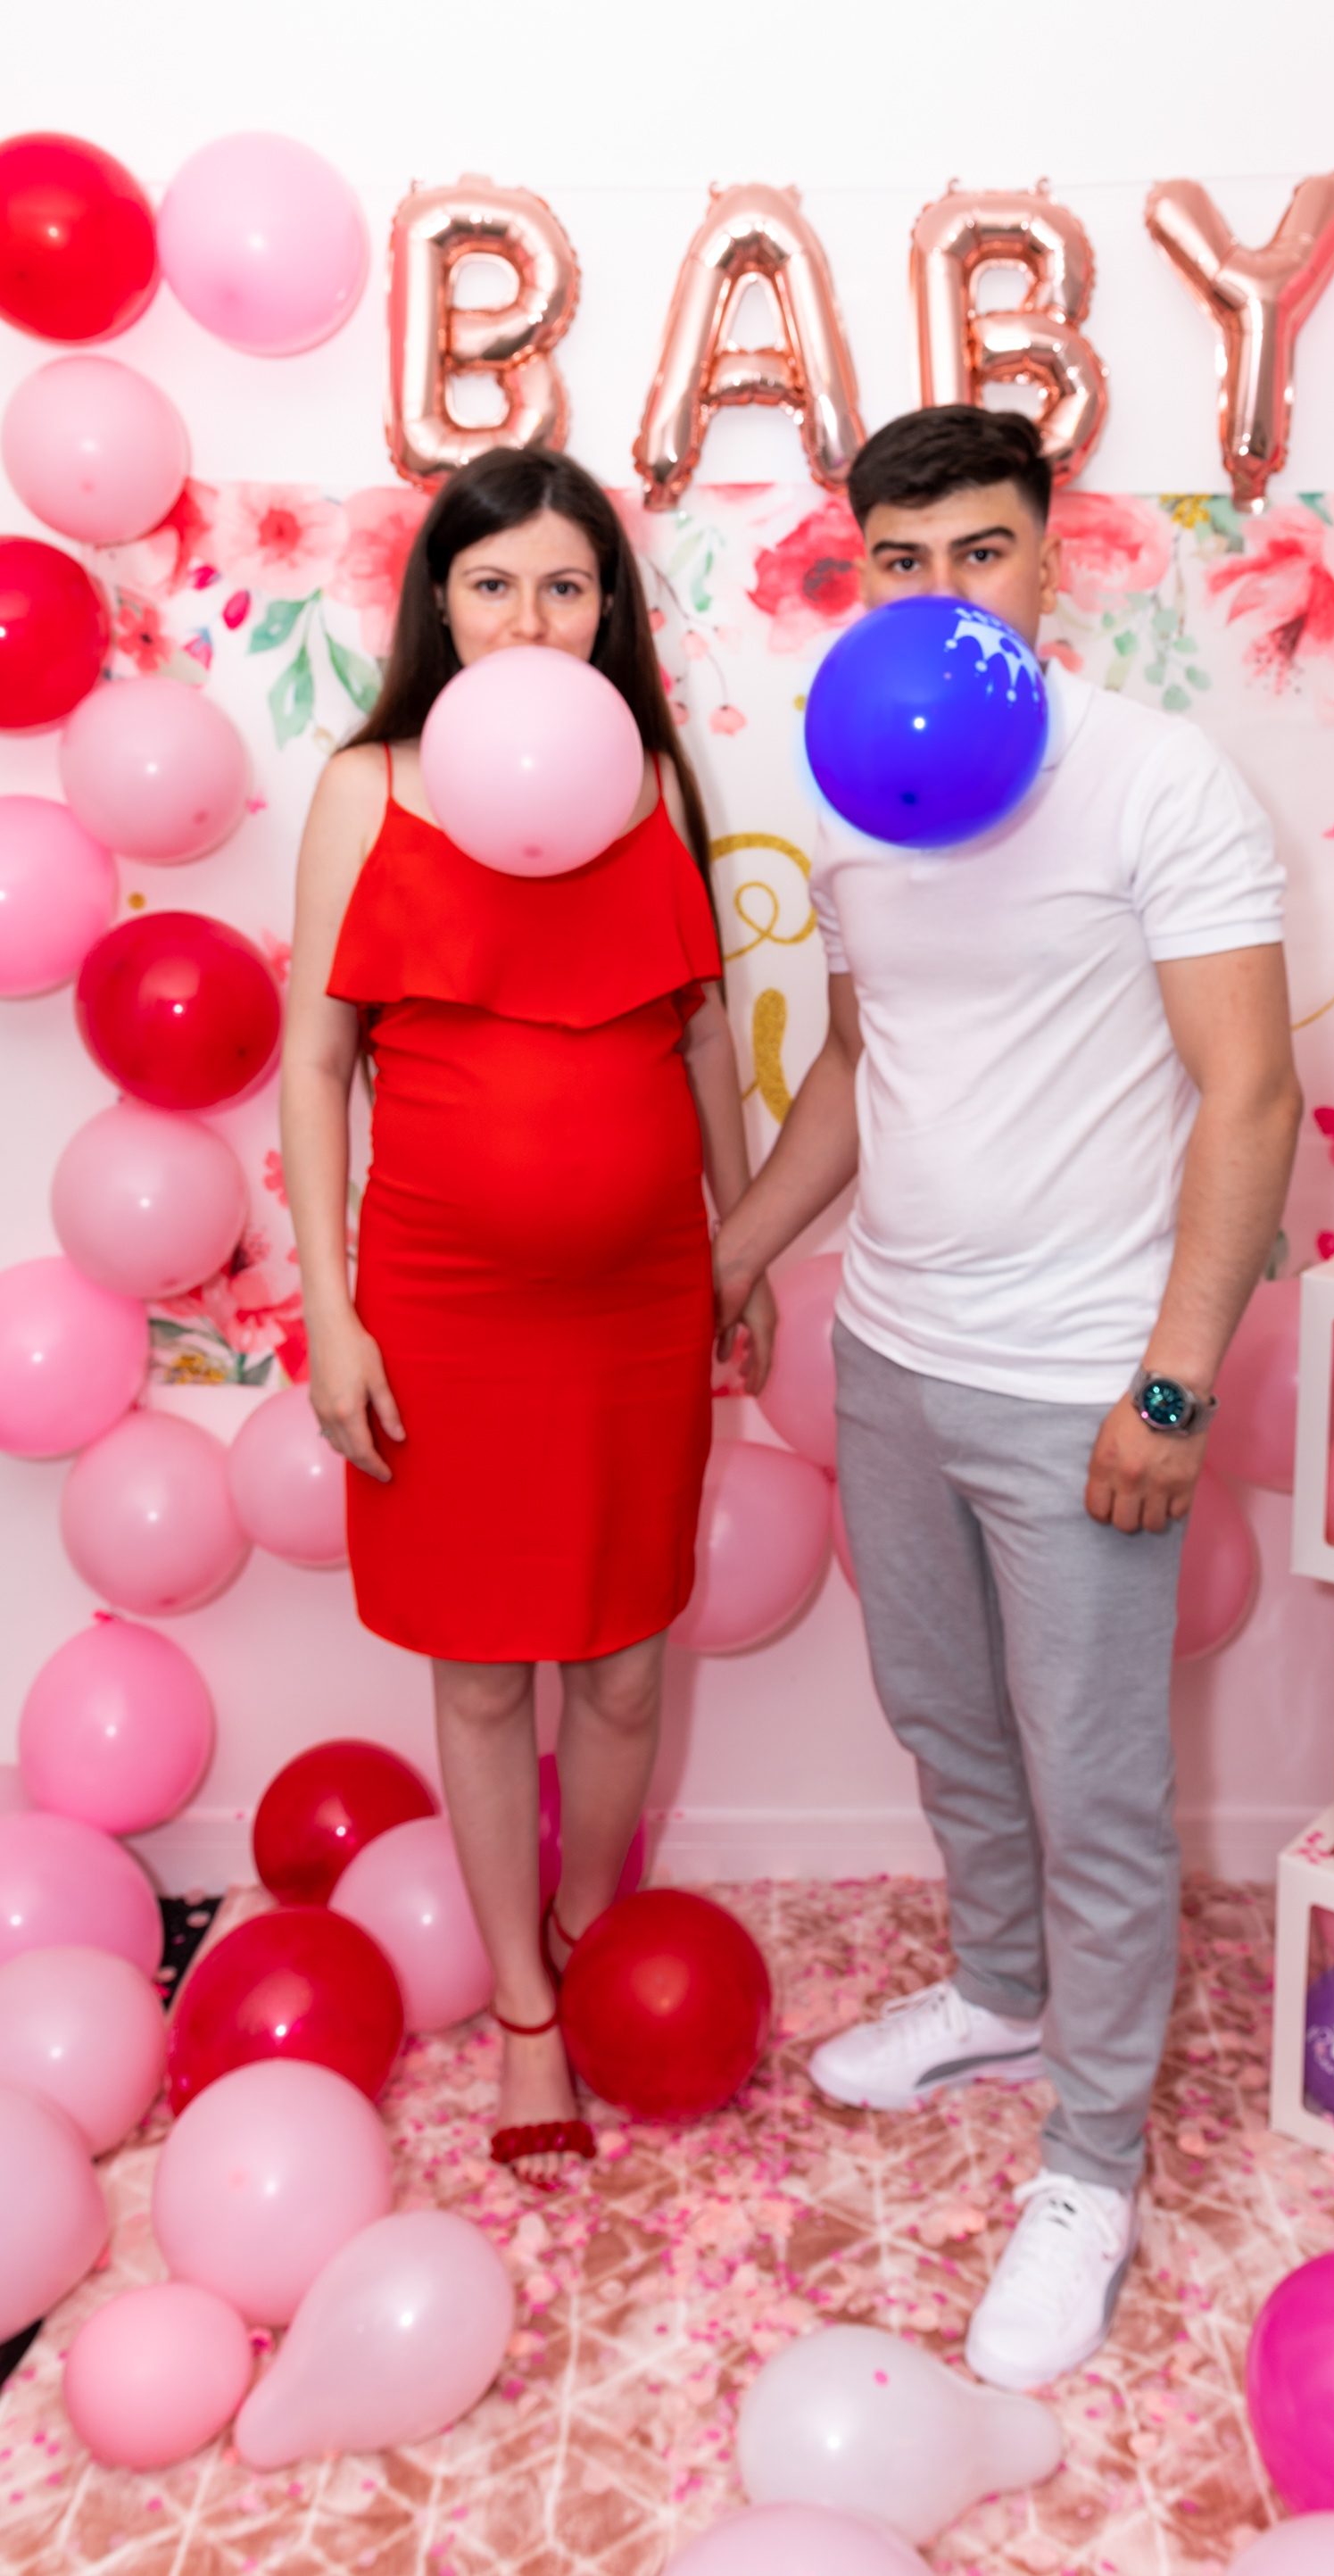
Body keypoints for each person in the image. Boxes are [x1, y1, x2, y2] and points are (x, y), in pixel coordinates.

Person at [713, 406, 1300, 2388]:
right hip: (890, 1355)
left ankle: (1096, 2163)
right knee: (945, 1717)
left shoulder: (1155, 779)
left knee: (1096, 1781)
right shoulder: (862, 778)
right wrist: (736, 1254)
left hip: (1082, 1382)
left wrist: (1173, 1387)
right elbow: (857, 1069)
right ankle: (999, 1990)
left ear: (1053, 558)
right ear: (859, 571)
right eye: (903, 558)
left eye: (982, 550)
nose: (942, 590)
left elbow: (1251, 1093)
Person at [281, 445, 774, 2187]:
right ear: (442, 603)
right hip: (443, 1307)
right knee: (485, 1674)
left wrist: (739, 1246)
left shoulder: (651, 779)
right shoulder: (368, 788)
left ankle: (580, 1927)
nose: (529, 618)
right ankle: (523, 2009)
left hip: (637, 1307)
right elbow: (315, 1065)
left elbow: (702, 1034)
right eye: (493, 585)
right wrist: (332, 1313)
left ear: (608, 607)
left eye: (565, 585)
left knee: (626, 1664)